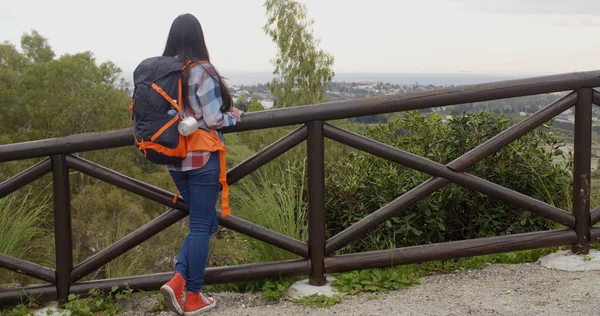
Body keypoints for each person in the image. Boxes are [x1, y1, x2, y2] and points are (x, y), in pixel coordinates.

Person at [159, 13, 243, 315]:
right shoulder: (201, 70)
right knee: (201, 225)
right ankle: (193, 296)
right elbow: (213, 119)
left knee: (205, 221)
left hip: (173, 158)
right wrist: (235, 115)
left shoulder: (164, 71)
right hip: (202, 158)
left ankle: (178, 280)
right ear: (199, 37)